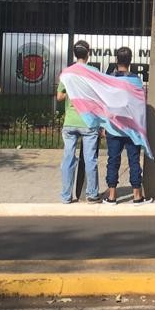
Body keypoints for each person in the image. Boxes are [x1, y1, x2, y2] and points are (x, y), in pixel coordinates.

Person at [56, 40, 101, 203]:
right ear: (88, 53)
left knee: (68, 158)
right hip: (88, 121)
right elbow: (98, 95)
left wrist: (70, 92)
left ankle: (66, 195)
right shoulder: (94, 71)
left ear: (75, 54)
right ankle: (92, 193)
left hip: (70, 121)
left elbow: (59, 97)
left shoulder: (67, 73)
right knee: (90, 158)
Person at [103, 47, 148, 204]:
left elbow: (106, 104)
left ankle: (112, 195)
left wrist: (104, 124)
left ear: (116, 60)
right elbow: (140, 104)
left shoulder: (110, 80)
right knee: (134, 160)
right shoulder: (136, 80)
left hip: (114, 127)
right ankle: (137, 195)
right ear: (130, 61)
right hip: (131, 128)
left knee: (113, 160)